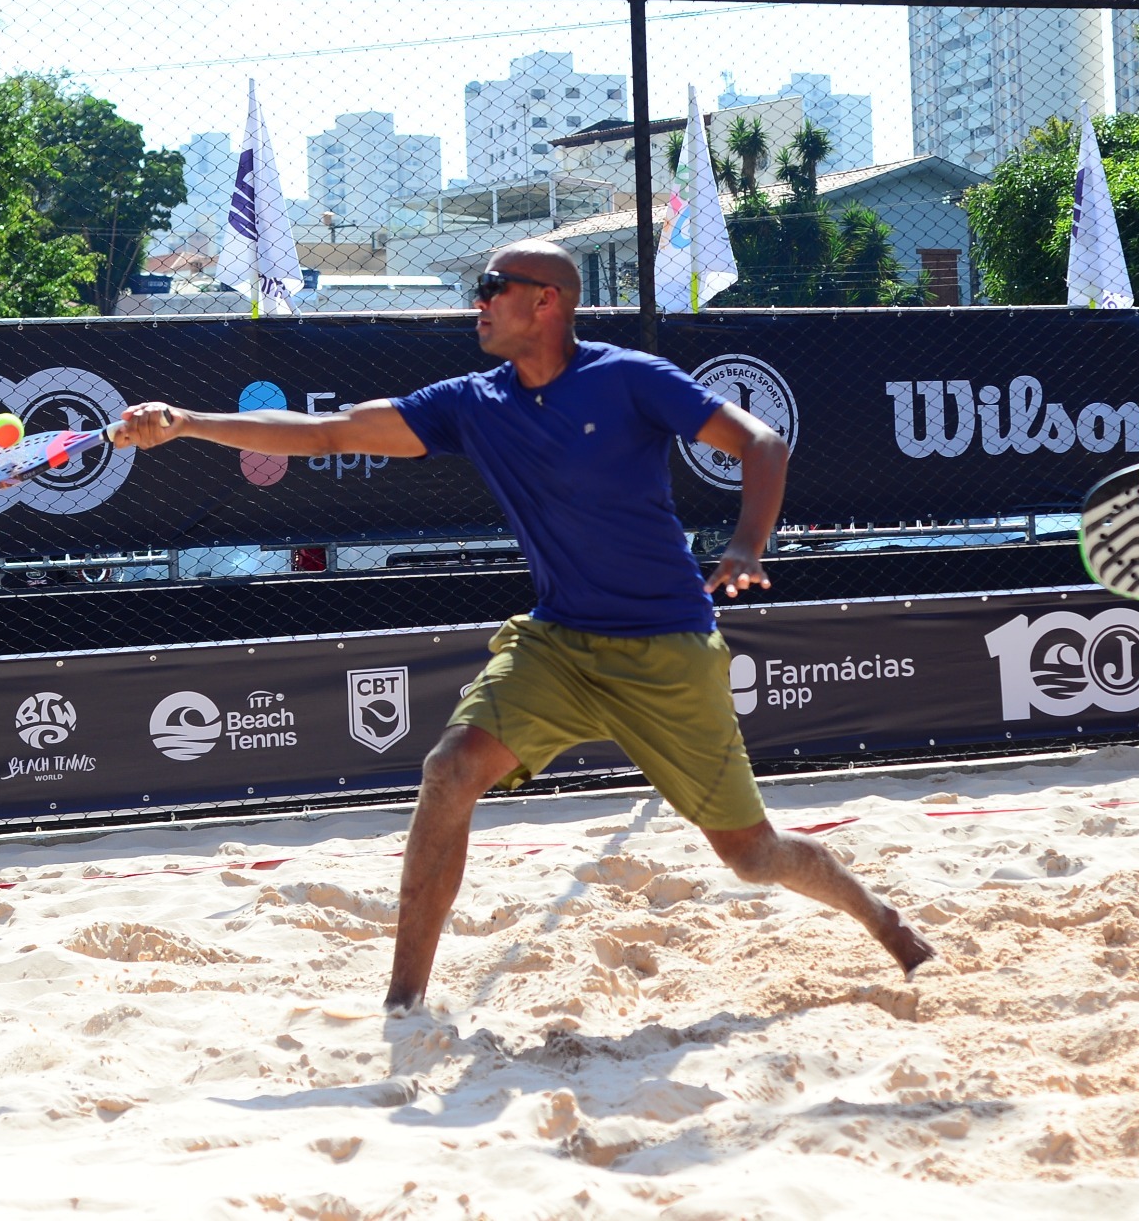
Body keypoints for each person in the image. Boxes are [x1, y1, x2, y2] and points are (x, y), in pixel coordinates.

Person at [112, 239, 935, 1013]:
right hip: (559, 643)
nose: (476, 302)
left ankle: (879, 914)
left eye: (490, 288)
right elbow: (326, 430)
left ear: (546, 302)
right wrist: (186, 419)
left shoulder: (628, 378)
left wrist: (747, 542)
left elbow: (762, 441)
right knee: (449, 769)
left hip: (667, 651)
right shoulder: (475, 403)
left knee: (752, 855)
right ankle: (405, 1000)